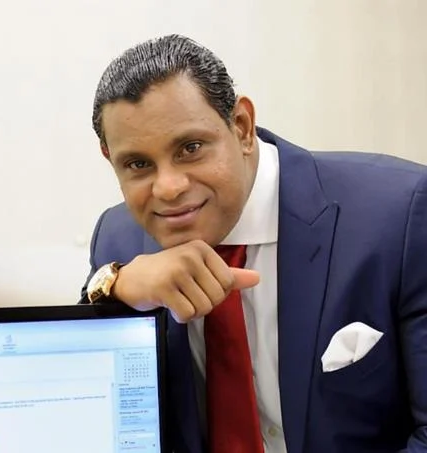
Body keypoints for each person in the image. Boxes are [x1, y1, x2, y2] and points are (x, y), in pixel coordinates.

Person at [80, 34, 427, 452]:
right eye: (138, 164)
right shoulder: (119, 238)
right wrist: (115, 283)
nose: (168, 188)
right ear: (110, 159)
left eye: (191, 148)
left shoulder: (400, 214)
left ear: (242, 127)